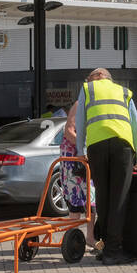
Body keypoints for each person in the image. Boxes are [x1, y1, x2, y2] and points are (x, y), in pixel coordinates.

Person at [72, 67, 137, 265]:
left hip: (96, 146)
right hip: (122, 145)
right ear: (109, 78)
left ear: (97, 77)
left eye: (91, 76)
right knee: (119, 197)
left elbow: (80, 120)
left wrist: (80, 152)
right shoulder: (123, 91)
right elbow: (136, 126)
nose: (89, 79)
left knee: (103, 198)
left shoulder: (87, 89)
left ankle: (106, 248)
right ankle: (114, 250)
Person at [61, 100, 96, 250]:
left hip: (86, 154)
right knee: (75, 197)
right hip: (74, 155)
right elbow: (69, 131)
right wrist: (85, 149)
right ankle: (72, 238)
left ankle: (90, 237)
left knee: (92, 198)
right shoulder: (81, 103)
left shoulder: (97, 104)